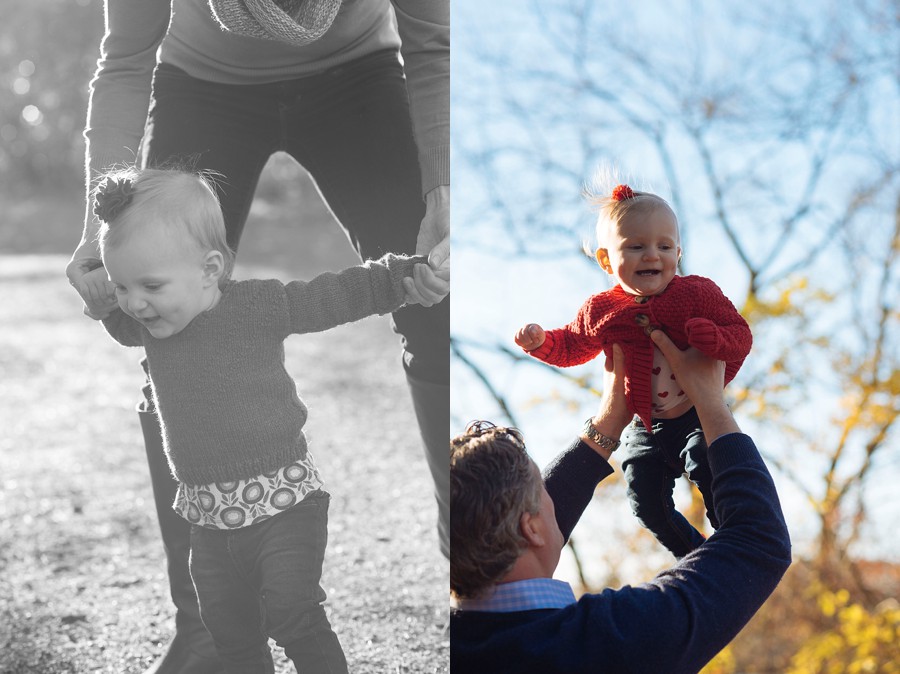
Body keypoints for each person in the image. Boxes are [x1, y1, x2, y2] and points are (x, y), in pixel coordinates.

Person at [64, 2, 449, 672]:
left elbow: (434, 43)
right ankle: (205, 629)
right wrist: (104, 235)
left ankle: (466, 548)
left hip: (357, 76)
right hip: (202, 85)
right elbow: (124, 61)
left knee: (433, 295)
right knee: (174, 322)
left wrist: (442, 186)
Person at [450, 336, 792, 674]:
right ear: (531, 528)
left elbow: (504, 523)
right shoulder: (609, 643)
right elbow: (758, 539)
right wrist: (711, 402)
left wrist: (607, 423)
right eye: (544, 491)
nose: (554, 500)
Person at [515, 182, 752, 558]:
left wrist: (714, 338)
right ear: (606, 260)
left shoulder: (697, 294)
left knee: (712, 472)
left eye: (664, 246)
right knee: (644, 501)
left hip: (695, 414)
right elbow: (573, 344)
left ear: (678, 252)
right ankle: (695, 553)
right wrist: (541, 342)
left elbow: (739, 334)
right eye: (636, 246)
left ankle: (732, 546)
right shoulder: (602, 310)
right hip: (645, 424)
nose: (652, 255)